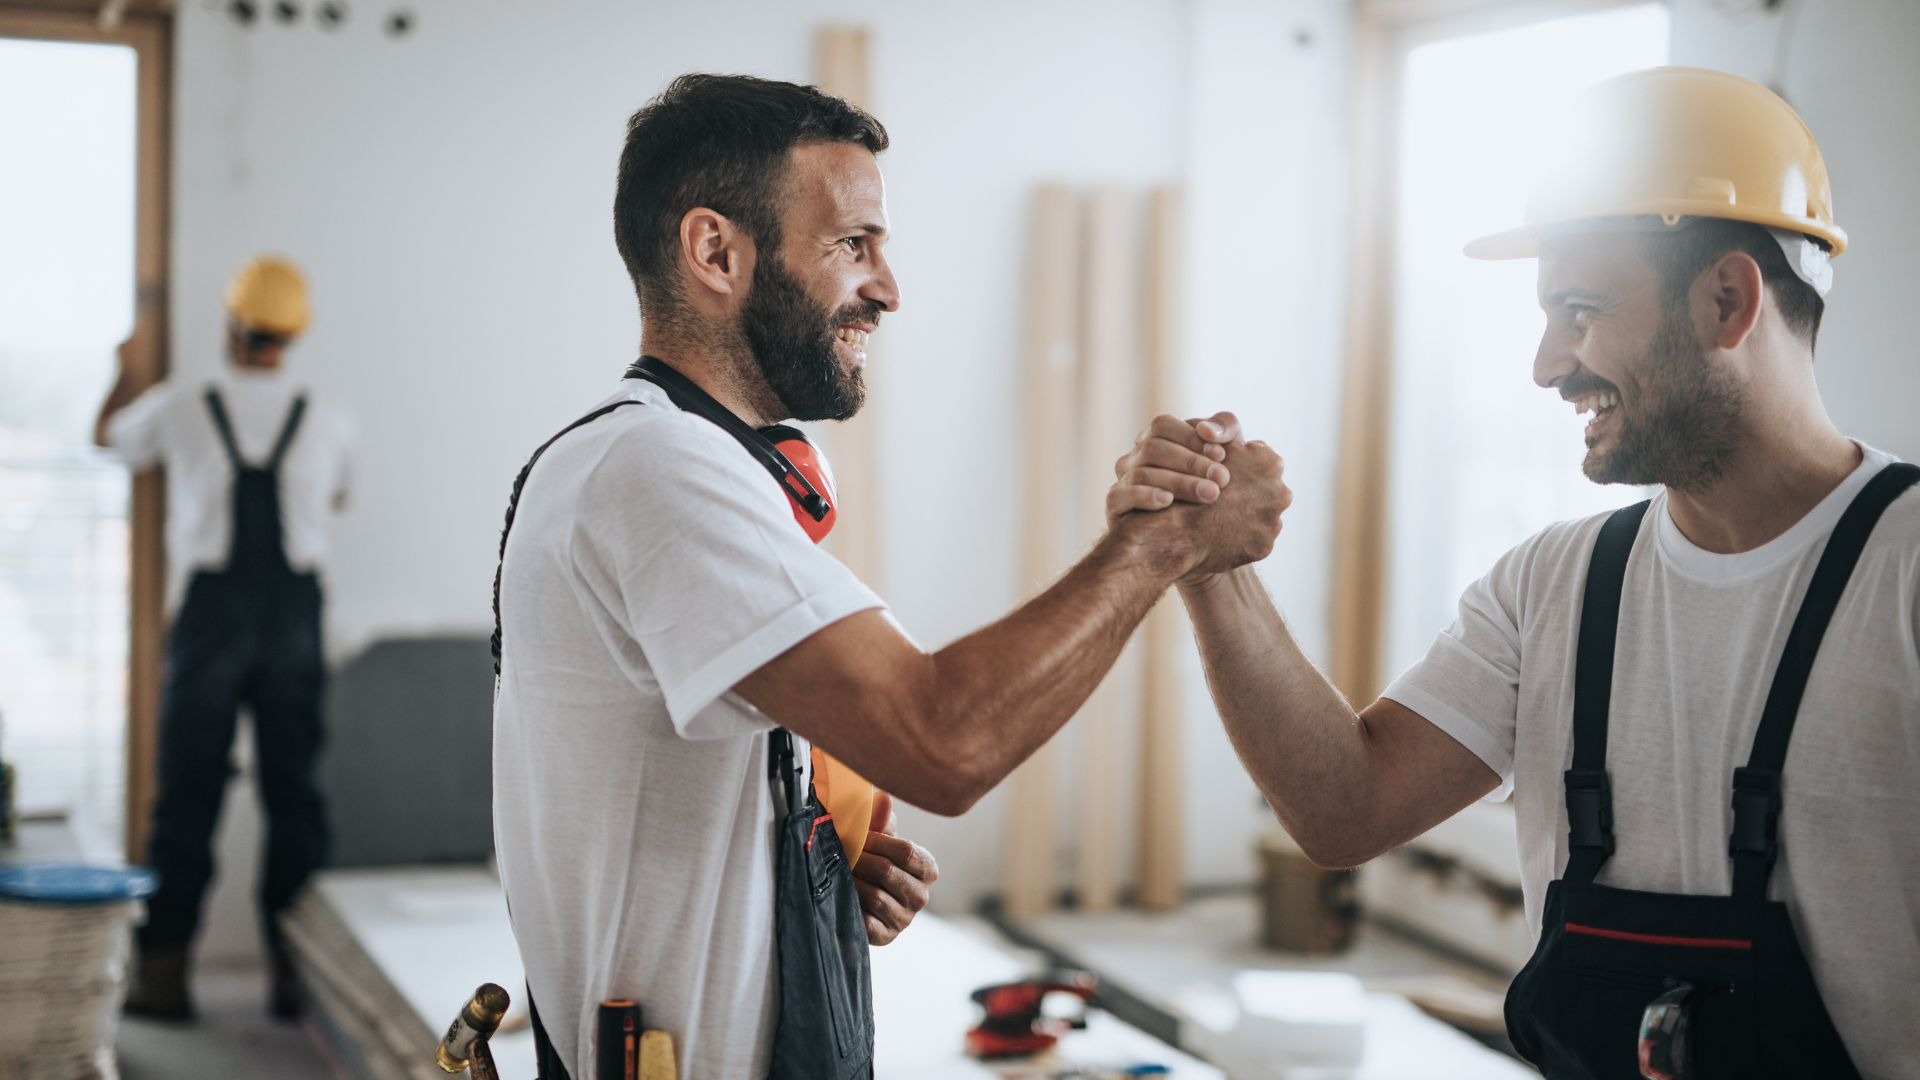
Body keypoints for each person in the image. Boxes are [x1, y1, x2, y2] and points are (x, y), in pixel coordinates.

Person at [1111, 68, 1917, 1078]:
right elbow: (1345, 809)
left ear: (1726, 299)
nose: (1547, 364)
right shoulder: (1556, 585)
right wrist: (1207, 566)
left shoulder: (1905, 572)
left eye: (1579, 310)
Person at [490, 74, 1288, 1079]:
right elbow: (942, 739)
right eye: (851, 245)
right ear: (715, 252)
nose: (888, 288)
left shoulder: (697, 463)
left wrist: (812, 858)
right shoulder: (654, 470)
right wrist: (1162, 544)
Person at [96, 256, 354, 1022]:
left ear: (230, 326)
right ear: (294, 335)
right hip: (294, 619)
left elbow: (109, 437)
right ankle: (290, 977)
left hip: (211, 620)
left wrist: (122, 369)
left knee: (186, 799)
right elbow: (337, 495)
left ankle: (165, 976)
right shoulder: (332, 418)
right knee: (295, 800)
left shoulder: (180, 405)